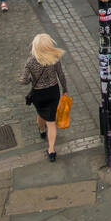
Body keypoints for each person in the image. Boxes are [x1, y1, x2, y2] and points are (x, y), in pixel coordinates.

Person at [20, 33, 68, 162]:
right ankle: (51, 150)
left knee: (41, 113)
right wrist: (65, 90)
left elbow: (23, 81)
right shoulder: (55, 58)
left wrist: (31, 79)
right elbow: (61, 75)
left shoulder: (30, 61)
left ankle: (41, 130)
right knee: (51, 122)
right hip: (53, 92)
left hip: (38, 93)